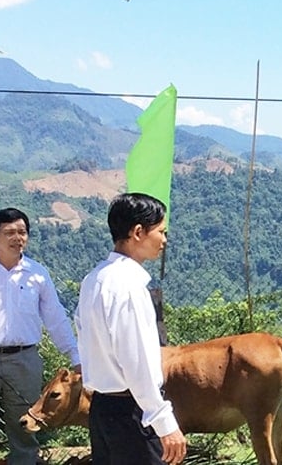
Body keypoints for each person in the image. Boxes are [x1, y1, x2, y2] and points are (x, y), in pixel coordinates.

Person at [0, 208, 81, 465]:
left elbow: (55, 317)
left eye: (22, 232)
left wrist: (74, 354)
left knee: (25, 430)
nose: (17, 238)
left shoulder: (36, 273)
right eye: (9, 232)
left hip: (25, 360)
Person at [75, 193, 186, 465]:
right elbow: (138, 362)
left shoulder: (94, 279)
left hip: (102, 408)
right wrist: (163, 421)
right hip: (132, 412)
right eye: (160, 231)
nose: (164, 240)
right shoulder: (129, 287)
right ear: (138, 232)